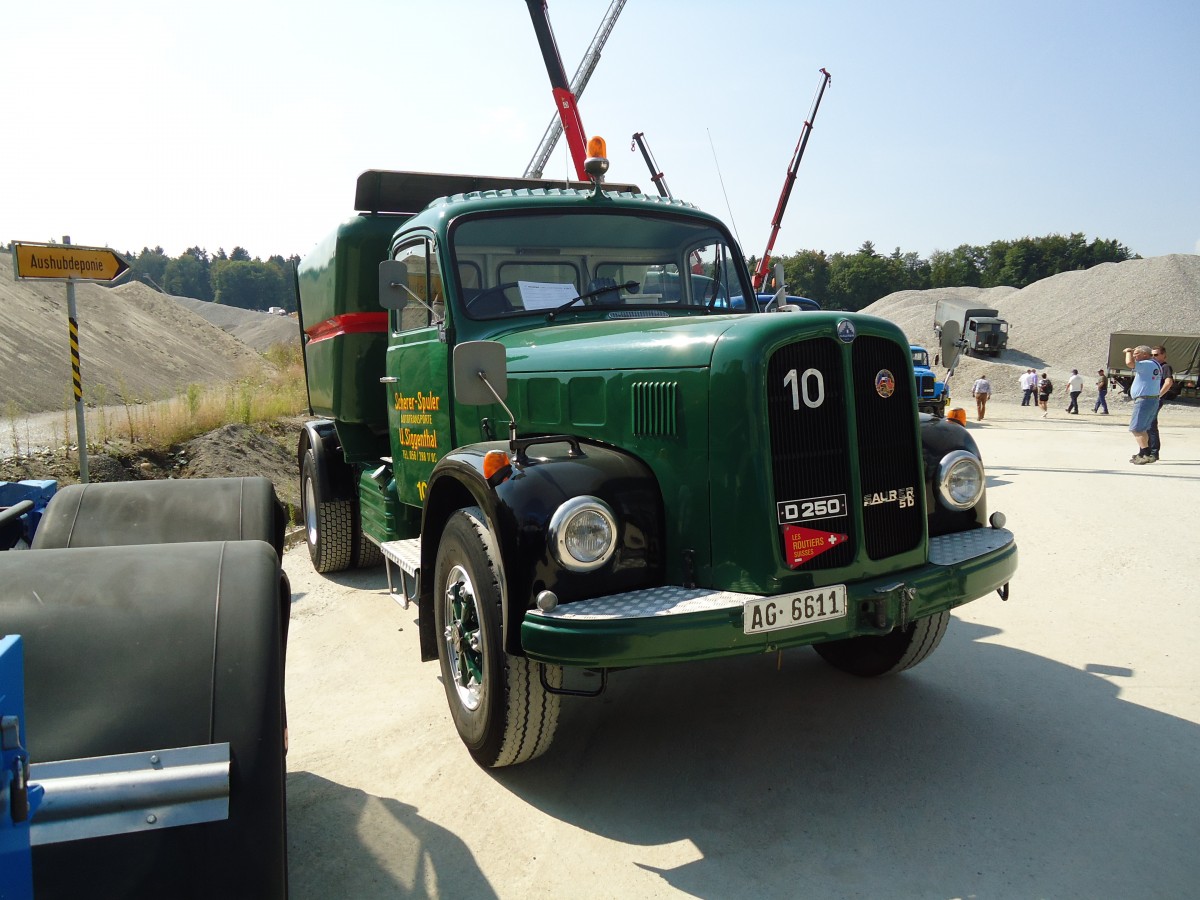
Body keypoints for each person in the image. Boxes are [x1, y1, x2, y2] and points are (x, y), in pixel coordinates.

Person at [1124, 345, 1162, 464]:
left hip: (1144, 400)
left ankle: (1146, 453)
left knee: (1136, 428)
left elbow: (1129, 363)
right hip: (1152, 399)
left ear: (1145, 354)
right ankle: (1142, 453)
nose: (1134, 356)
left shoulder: (1146, 363)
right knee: (1144, 429)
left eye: (1136, 353)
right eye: (1133, 353)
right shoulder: (1155, 364)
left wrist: (1128, 352)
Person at [1145, 345, 1175, 462]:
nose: (1153, 357)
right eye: (1152, 355)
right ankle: (1145, 451)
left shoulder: (1165, 367)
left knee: (1151, 425)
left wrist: (1158, 396)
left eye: (1156, 354)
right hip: (1149, 398)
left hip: (1155, 399)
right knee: (1145, 425)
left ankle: (1153, 452)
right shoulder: (1153, 366)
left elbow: (1168, 382)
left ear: (1163, 355)